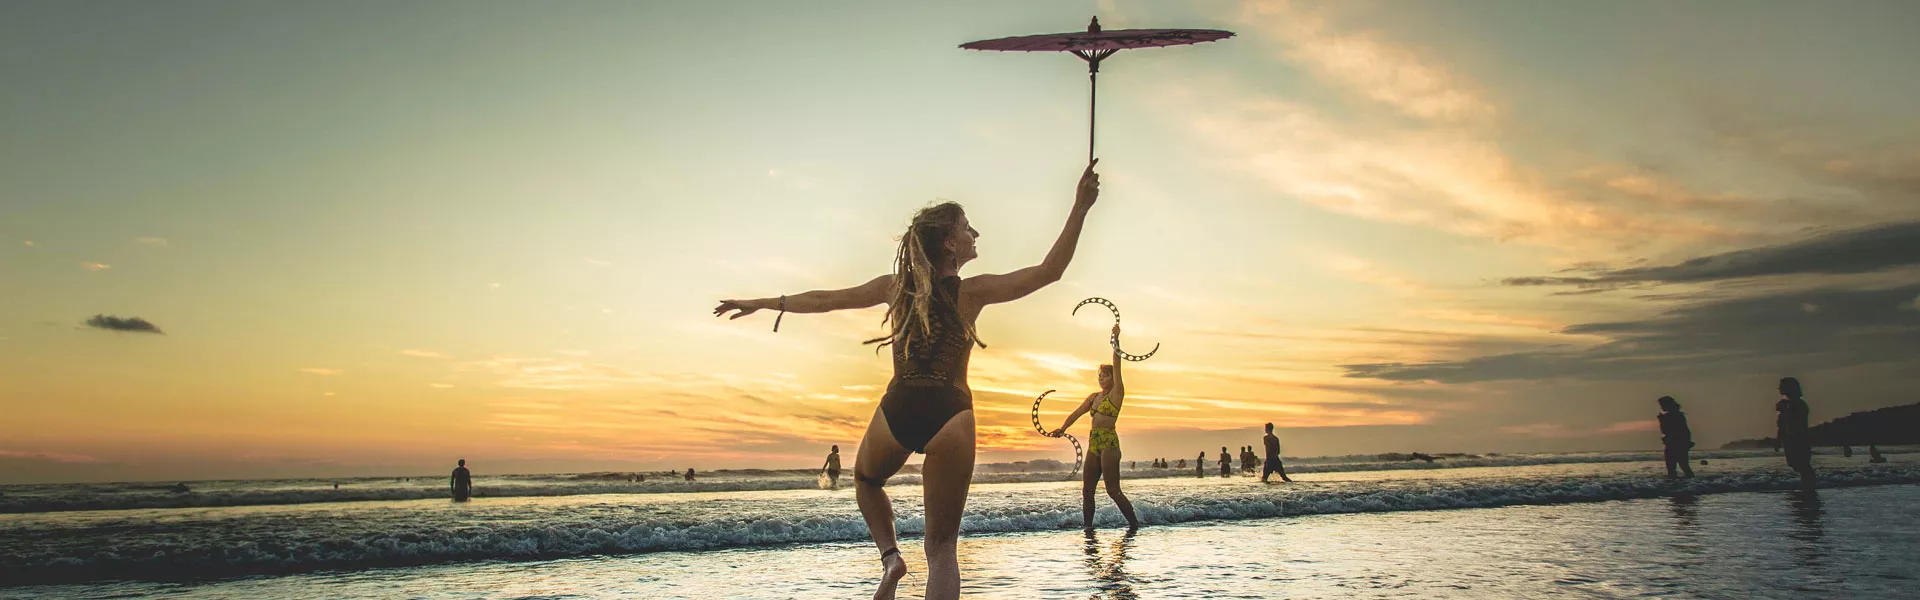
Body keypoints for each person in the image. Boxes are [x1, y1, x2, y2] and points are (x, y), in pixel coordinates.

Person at [714, 161, 1103, 600]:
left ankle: (890, 558)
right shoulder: (972, 292)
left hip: (900, 405)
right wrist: (1080, 207)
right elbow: (1049, 270)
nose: (976, 233)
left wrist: (764, 303)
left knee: (866, 480)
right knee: (941, 549)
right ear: (948, 242)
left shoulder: (894, 287)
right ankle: (898, 562)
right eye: (967, 228)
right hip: (951, 411)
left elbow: (824, 300)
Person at [1050, 324, 1141, 530]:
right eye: (1099, 375)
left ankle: (1134, 524)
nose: (1101, 378)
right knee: (1087, 491)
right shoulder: (1093, 398)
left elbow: (1117, 365)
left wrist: (1116, 339)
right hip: (1094, 443)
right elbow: (1076, 413)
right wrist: (1062, 428)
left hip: (1109, 443)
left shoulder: (1117, 393)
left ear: (1112, 378)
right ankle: (1088, 527)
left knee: (1112, 490)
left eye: (1105, 375)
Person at [1775, 377, 1816, 488]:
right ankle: (1808, 487)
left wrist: (1785, 411)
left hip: (1798, 440)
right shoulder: (1790, 404)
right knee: (1797, 465)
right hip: (1792, 439)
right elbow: (1783, 425)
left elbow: (1793, 425)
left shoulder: (1798, 404)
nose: (1779, 389)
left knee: (1801, 465)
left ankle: (1809, 488)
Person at [1657, 396, 1695, 478]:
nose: (1661, 407)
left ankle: (1678, 485)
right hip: (1678, 443)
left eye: (1662, 405)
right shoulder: (1679, 415)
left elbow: (1665, 430)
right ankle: (1690, 484)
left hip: (1674, 444)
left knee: (1673, 468)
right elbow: (1686, 431)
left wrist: (1661, 420)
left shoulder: (1670, 417)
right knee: (1684, 466)